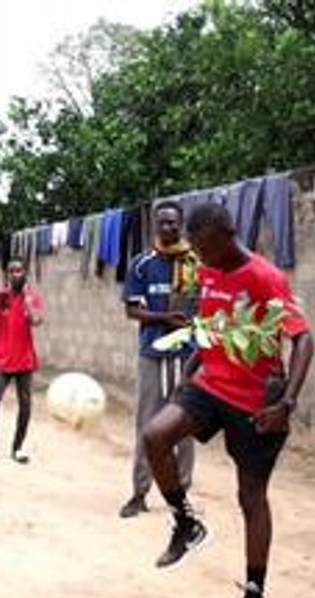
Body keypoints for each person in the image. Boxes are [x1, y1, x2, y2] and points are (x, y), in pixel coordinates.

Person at [143, 202, 313, 598]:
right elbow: (211, 324)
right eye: (194, 248)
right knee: (155, 436)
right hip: (211, 386)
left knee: (250, 497)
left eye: (203, 246)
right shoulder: (209, 269)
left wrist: (287, 404)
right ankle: (187, 523)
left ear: (227, 233)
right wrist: (192, 365)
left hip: (257, 402)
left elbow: (303, 338)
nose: (199, 256)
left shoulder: (264, 277)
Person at [120, 200, 199, 517]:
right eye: (163, 223)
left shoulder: (195, 263)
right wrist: (165, 317)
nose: (168, 228)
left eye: (173, 223)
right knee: (147, 424)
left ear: (182, 225)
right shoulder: (142, 264)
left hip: (187, 355)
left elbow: (203, 307)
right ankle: (139, 493)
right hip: (153, 353)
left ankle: (181, 498)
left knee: (185, 425)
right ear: (155, 225)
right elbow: (131, 310)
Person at [0, 259, 44, 464]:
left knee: (25, 404)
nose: (15, 274)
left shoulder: (32, 297)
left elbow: (37, 320)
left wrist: (27, 302)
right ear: (7, 275)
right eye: (11, 271)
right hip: (1, 359)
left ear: (25, 272)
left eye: (19, 270)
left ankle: (17, 448)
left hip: (24, 360)